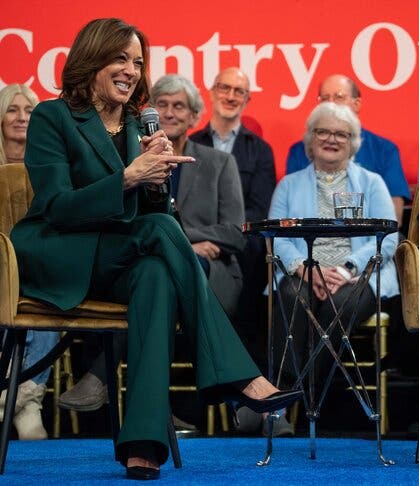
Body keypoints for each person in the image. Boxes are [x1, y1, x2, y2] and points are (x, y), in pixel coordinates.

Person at [9, 18, 300, 480]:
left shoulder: (132, 124)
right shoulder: (53, 116)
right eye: (121, 58)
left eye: (138, 62)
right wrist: (128, 176)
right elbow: (58, 207)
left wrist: (156, 176)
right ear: (92, 59)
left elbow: (147, 214)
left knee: (157, 275)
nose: (131, 70)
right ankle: (237, 373)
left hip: (117, 256)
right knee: (161, 233)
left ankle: (143, 442)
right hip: (57, 254)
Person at [58, 74, 247, 423]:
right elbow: (126, 223)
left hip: (215, 275)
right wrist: (182, 241)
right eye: (162, 105)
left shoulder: (220, 162)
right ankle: (157, 412)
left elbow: (236, 233)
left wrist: (176, 239)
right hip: (151, 261)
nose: (170, 113)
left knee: (171, 268)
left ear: (194, 116)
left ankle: (103, 375)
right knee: (159, 273)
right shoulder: (129, 159)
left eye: (180, 106)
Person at [269, 102, 398, 431]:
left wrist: (346, 268)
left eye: (342, 134)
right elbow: (276, 238)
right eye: (323, 131)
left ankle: (286, 398)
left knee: (339, 305)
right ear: (310, 140)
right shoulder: (288, 184)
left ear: (354, 141)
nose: (331, 139)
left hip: (357, 276)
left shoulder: (372, 183)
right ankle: (295, 402)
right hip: (305, 272)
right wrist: (304, 268)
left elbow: (388, 237)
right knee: (289, 294)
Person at [189, 67, 275, 364]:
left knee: (255, 250)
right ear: (211, 92)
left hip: (241, 244)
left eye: (239, 91)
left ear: (248, 99)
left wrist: (224, 234)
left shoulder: (260, 150)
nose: (230, 96)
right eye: (224, 88)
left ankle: (242, 363)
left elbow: (259, 209)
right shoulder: (191, 144)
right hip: (197, 239)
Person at [0, 83, 59, 440]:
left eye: (29, 111)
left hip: (38, 263)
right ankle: (23, 401)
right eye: (12, 109)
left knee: (51, 291)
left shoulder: (49, 164)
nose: (22, 117)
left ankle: (20, 396)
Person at [285, 74, 411, 224]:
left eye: (339, 97)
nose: (330, 104)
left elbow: (394, 217)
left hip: (369, 238)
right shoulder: (299, 151)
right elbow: (291, 209)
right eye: (324, 98)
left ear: (356, 104)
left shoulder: (384, 149)